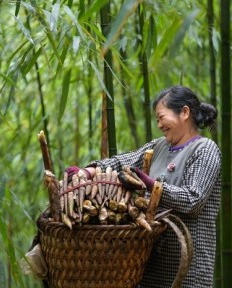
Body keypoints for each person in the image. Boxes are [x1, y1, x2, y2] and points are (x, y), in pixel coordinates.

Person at [66, 85, 221, 287]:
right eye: (157, 119)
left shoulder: (205, 149)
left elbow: (193, 200)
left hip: (188, 269)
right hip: (150, 266)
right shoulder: (159, 146)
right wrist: (89, 171)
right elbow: (124, 161)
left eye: (161, 117)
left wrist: (151, 185)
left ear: (184, 112)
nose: (159, 125)